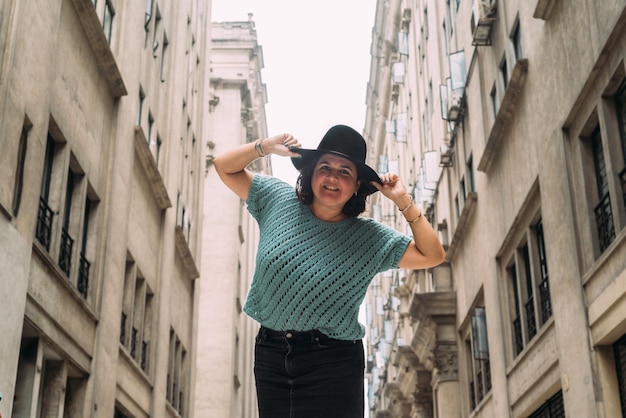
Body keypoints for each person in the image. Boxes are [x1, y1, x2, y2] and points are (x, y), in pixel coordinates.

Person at [213, 124, 446, 418]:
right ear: (310, 173)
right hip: (271, 353)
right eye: (325, 167)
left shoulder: (369, 238)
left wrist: (403, 202)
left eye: (345, 171)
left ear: (357, 185)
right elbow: (224, 167)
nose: (333, 177)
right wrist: (266, 147)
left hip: (333, 360)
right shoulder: (275, 199)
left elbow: (433, 254)